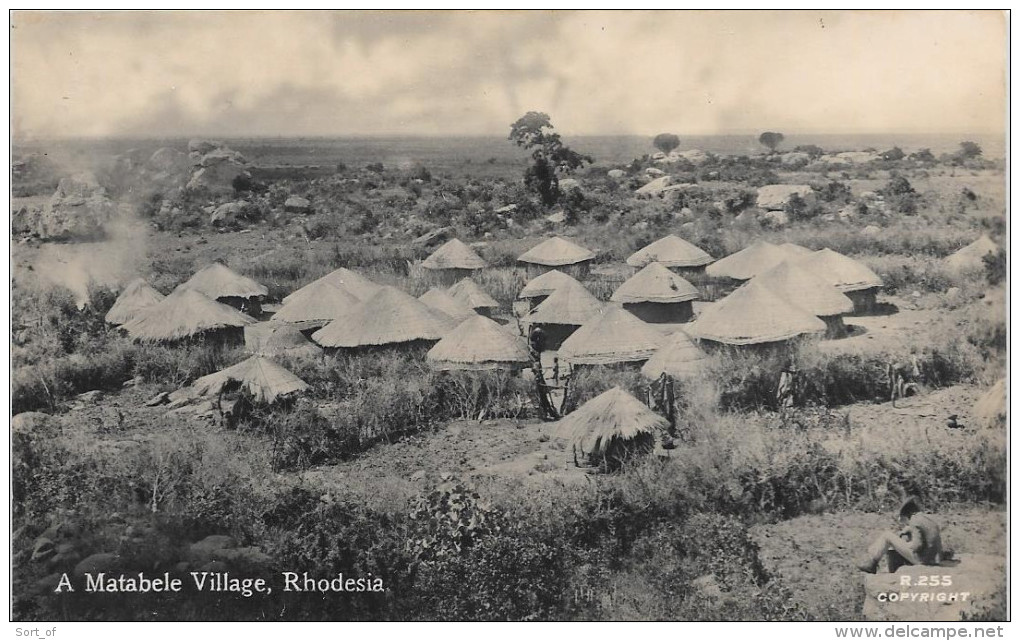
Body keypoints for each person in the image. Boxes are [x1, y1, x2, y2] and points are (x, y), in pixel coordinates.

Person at [856, 496, 943, 574]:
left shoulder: (914, 521)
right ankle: (881, 563)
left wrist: (905, 544)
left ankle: (871, 563)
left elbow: (917, 546)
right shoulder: (927, 519)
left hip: (923, 560)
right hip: (934, 558)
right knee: (898, 542)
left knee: (887, 535)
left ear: (907, 515)